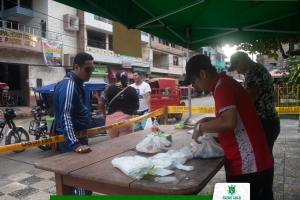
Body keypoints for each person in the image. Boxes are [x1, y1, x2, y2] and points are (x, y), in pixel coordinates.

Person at [182, 55, 273, 200]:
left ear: (202, 74)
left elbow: (229, 121)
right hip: (250, 160)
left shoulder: (222, 86)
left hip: (246, 163)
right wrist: (206, 120)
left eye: (194, 81)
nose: (194, 87)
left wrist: (200, 127)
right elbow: (235, 116)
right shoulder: (225, 83)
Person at [228, 51, 280, 200]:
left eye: (236, 67)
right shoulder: (260, 69)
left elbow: (247, 102)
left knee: (261, 160)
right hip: (271, 121)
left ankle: (263, 194)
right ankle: (266, 193)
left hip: (264, 122)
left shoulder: (252, 72)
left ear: (241, 61)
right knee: (266, 157)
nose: (237, 71)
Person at [54, 52, 94, 195]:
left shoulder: (77, 84)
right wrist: (75, 144)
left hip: (79, 137)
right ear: (76, 67)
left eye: (92, 69)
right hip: (73, 141)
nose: (90, 73)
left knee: (82, 180)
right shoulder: (69, 85)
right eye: (87, 69)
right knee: (80, 182)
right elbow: (66, 116)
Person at [98, 70, 139, 139]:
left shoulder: (109, 88)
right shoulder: (133, 90)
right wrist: (130, 111)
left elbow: (101, 102)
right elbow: (137, 106)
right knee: (124, 146)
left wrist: (104, 114)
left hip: (111, 121)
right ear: (127, 79)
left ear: (116, 79)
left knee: (113, 144)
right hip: (127, 121)